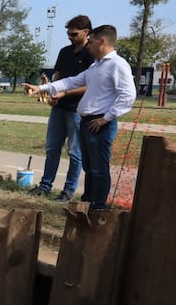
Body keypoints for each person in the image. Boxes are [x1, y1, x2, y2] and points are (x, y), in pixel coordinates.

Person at [24, 25, 136, 212]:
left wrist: (106, 118)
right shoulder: (96, 66)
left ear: (102, 41)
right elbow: (71, 81)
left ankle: (98, 208)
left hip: (100, 123)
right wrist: (41, 88)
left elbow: (128, 95)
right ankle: (87, 202)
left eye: (91, 42)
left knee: (99, 169)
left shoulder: (117, 65)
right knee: (90, 168)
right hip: (87, 122)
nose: (88, 46)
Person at [28, 15, 94, 202]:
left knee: (74, 151)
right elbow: (58, 76)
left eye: (74, 34)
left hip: (77, 109)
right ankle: (45, 186)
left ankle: (68, 190)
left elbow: (89, 84)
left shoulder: (91, 53)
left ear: (86, 32)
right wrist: (52, 94)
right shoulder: (65, 52)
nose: (70, 37)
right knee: (52, 148)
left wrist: (65, 94)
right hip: (59, 108)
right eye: (68, 34)